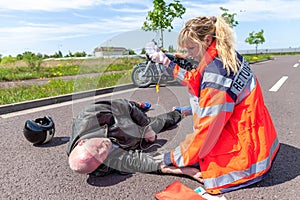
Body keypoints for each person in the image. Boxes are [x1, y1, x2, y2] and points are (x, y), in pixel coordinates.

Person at [148, 16, 280, 194]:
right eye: (186, 49)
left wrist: (171, 158)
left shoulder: (216, 74)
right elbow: (194, 80)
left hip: (248, 157)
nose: (189, 54)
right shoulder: (224, 57)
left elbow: (207, 132)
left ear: (207, 40)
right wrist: (165, 61)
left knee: (205, 161)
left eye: (192, 48)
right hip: (260, 137)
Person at [67, 98, 191, 177]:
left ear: (82, 142)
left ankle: (139, 104)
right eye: (102, 157)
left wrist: (147, 128)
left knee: (149, 118)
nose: (104, 150)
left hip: (126, 119)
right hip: (133, 136)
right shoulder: (99, 167)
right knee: (162, 123)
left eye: (97, 148)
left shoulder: (88, 117)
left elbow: (120, 105)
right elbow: (135, 161)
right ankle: (180, 112)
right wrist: (173, 169)